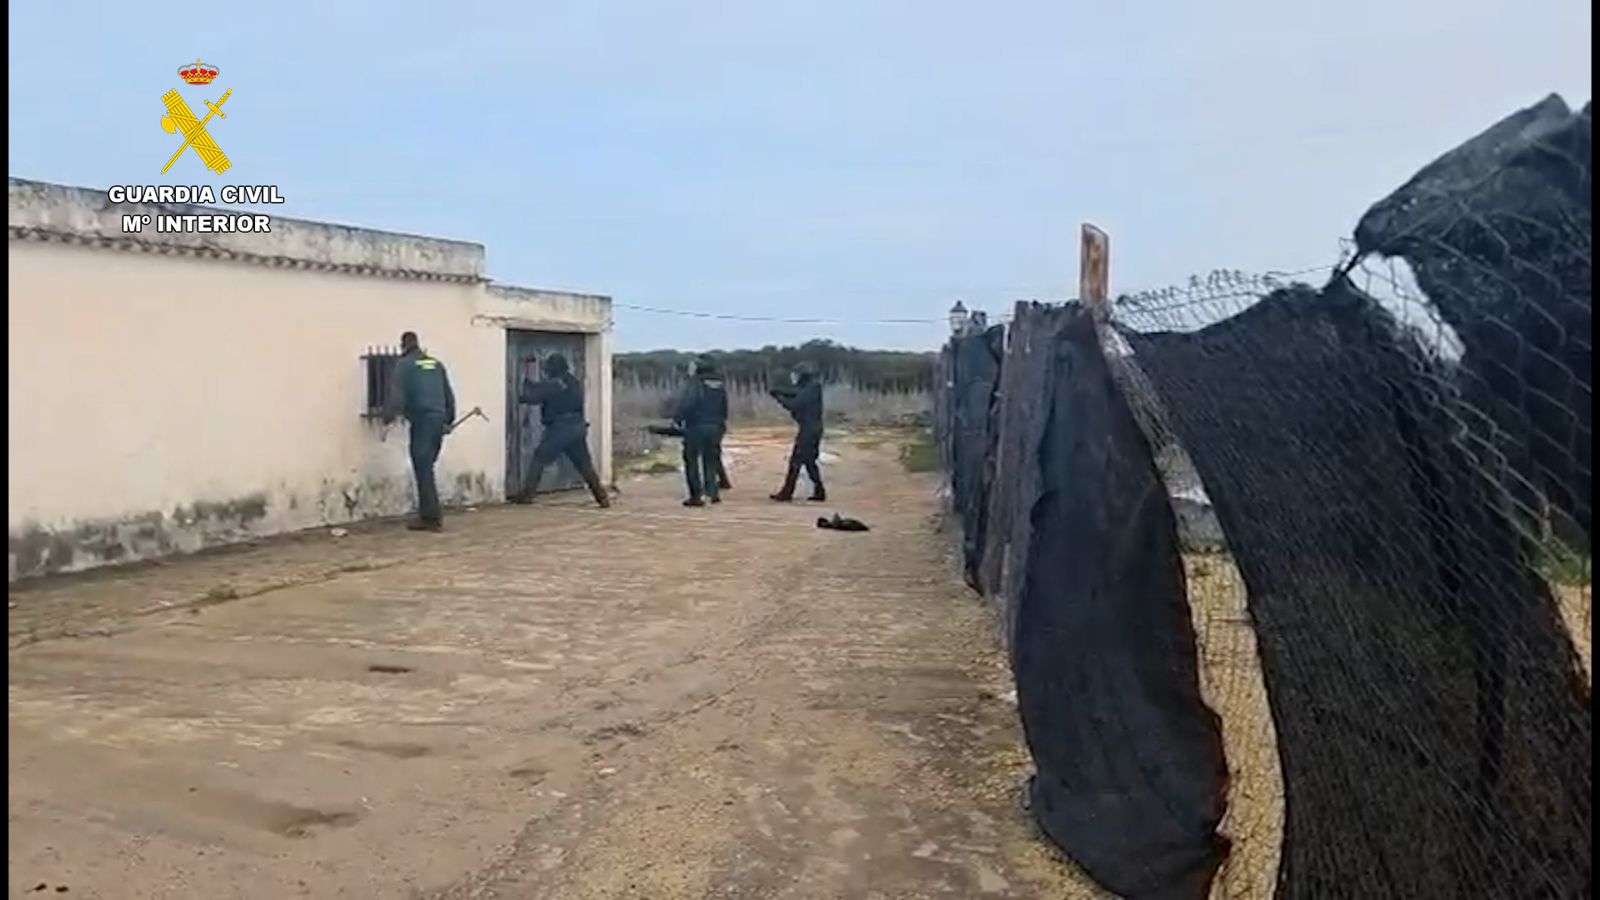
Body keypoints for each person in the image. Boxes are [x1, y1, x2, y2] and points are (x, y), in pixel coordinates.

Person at [511, 352, 611, 508]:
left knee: (539, 458)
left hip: (561, 430)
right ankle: (602, 498)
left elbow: (531, 397)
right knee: (585, 465)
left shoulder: (556, 384)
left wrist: (526, 377)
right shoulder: (572, 381)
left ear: (553, 368)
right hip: (576, 427)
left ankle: (526, 495)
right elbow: (540, 390)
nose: (546, 370)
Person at [384, 331, 456, 532]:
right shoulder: (435, 364)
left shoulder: (404, 365)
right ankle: (429, 513)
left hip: (423, 421)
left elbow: (397, 396)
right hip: (438, 421)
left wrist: (388, 416)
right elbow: (448, 395)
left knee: (423, 468)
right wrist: (449, 420)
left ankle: (431, 518)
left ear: (403, 346)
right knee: (427, 466)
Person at [674, 355, 730, 507]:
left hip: (696, 427)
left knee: (691, 460)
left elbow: (688, 403)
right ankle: (713, 493)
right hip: (716, 427)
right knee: (710, 460)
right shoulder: (719, 383)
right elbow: (724, 407)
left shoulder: (695, 382)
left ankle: (696, 496)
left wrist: (678, 419)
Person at [769, 361, 826, 502]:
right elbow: (795, 393)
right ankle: (819, 491)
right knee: (809, 461)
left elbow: (794, 405)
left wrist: (779, 398)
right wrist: (780, 391)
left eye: (796, 375)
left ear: (802, 376)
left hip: (809, 429)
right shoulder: (812, 386)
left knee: (796, 461)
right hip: (813, 428)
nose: (793, 378)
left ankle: (786, 493)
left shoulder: (811, 388)